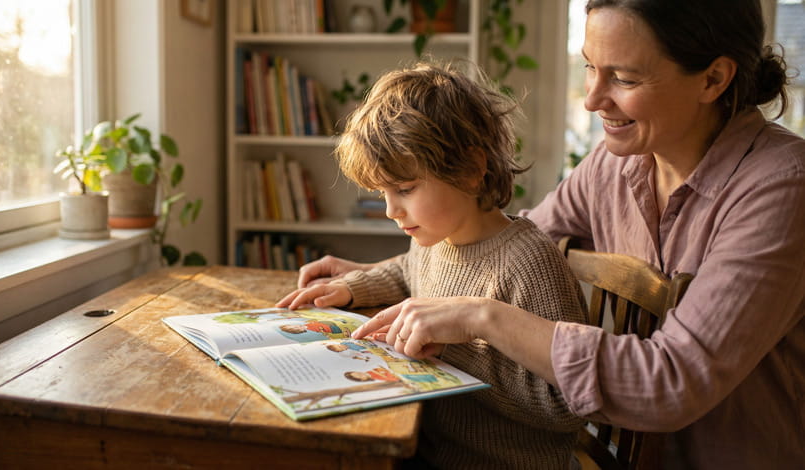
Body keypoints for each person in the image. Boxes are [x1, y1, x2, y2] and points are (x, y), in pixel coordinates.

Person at [294, 1, 805, 468]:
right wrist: (377, 279)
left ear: (713, 78)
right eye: (590, 66)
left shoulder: (782, 188)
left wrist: (480, 317)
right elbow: (495, 244)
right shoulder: (612, 165)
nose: (592, 100)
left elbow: (669, 382)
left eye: (624, 77)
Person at [276, 61, 588, 469]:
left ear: (472, 170)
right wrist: (354, 287)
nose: (390, 209)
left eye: (404, 188)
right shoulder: (436, 241)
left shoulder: (528, 262)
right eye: (382, 192)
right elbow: (409, 271)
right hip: (431, 449)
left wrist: (456, 352)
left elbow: (568, 406)